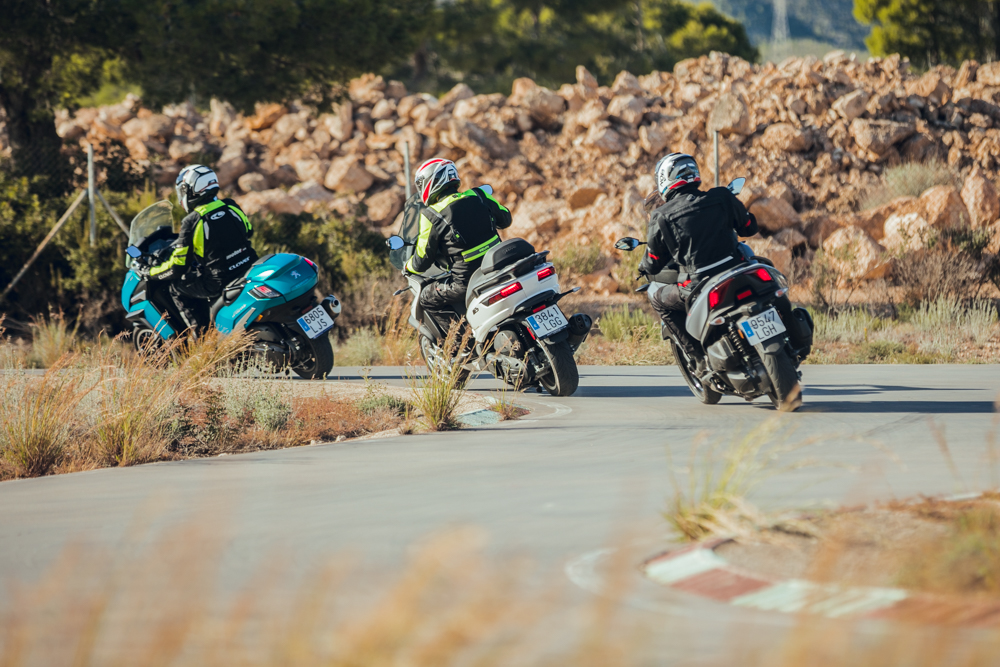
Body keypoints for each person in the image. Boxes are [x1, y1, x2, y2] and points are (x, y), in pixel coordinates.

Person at [638, 153, 758, 365]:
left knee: (655, 296)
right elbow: (749, 228)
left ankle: (699, 360)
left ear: (665, 180)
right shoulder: (721, 196)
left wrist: (644, 266)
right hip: (737, 269)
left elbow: (654, 262)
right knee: (764, 267)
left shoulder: (661, 216)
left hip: (698, 284)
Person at [145, 164, 257, 330]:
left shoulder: (192, 221)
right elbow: (248, 231)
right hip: (249, 266)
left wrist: (150, 272)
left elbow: (178, 267)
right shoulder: (230, 205)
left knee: (177, 288)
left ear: (191, 190)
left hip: (219, 281)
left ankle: (202, 336)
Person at [405, 158, 512, 329]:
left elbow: (422, 259)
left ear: (431, 181)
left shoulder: (431, 214)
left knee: (427, 298)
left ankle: (461, 347)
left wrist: (408, 267)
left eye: (420, 184)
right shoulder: (479, 195)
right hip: (500, 266)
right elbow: (506, 219)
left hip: (467, 281)